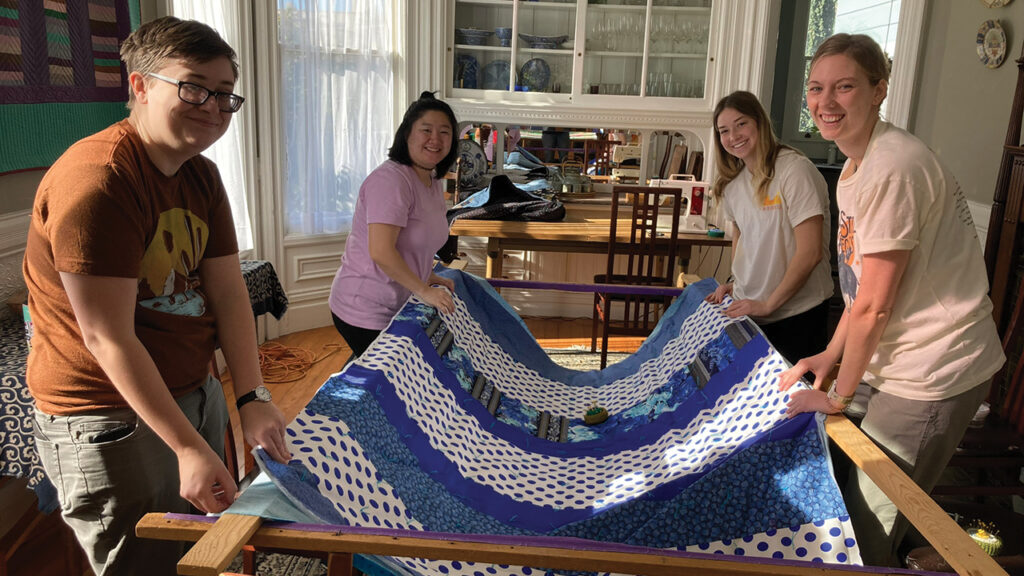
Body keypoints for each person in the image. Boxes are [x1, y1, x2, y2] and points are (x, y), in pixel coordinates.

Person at [22, 17, 291, 575]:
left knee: (202, 544)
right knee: (144, 562)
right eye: (192, 86)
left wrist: (251, 395)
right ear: (139, 86)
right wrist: (187, 446)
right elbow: (106, 336)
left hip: (191, 387)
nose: (212, 106)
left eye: (223, 94)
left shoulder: (203, 177)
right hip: (108, 410)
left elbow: (227, 292)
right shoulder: (98, 182)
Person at [778, 34, 1004, 567]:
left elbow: (874, 307)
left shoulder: (894, 166)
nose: (825, 101)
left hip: (933, 371)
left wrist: (838, 397)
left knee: (866, 521)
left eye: (845, 86)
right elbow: (857, 291)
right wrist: (827, 358)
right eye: (816, 88)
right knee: (838, 484)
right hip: (894, 359)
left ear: (880, 89)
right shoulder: (855, 168)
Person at [705, 90, 834, 364]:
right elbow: (743, 237)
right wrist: (737, 283)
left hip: (797, 315)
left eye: (741, 124)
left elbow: (811, 252)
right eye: (724, 130)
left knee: (792, 402)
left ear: (760, 123)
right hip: (752, 314)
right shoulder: (733, 183)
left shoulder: (794, 171)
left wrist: (769, 304)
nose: (734, 136)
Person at [329, 91, 457, 359]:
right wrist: (424, 291)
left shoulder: (430, 180)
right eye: (426, 130)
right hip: (365, 307)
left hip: (397, 300)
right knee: (391, 381)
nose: (436, 139)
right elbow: (381, 251)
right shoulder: (391, 181)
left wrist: (428, 276)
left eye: (445, 132)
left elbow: (414, 242)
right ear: (407, 134)